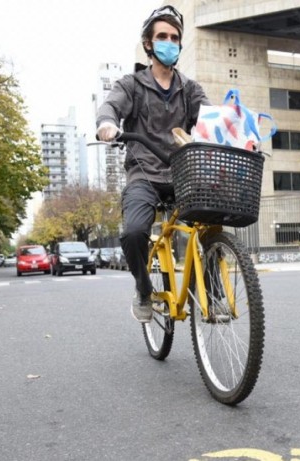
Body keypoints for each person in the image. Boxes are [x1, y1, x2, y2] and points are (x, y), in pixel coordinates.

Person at [96, 5, 210, 322]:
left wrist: (236, 133)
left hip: (182, 174)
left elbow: (212, 119)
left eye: (175, 38)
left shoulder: (190, 89)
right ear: (148, 43)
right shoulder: (131, 85)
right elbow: (110, 108)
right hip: (144, 174)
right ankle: (144, 289)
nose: (169, 42)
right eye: (162, 36)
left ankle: (211, 285)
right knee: (134, 233)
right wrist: (106, 125)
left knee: (212, 221)